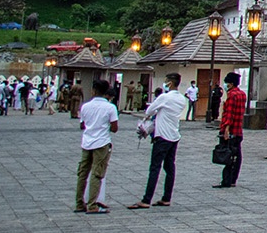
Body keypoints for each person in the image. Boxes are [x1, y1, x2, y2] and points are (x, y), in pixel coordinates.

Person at [128, 74, 187, 209]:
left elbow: (149, 110)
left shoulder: (164, 97)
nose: (164, 84)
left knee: (155, 167)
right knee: (170, 167)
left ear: (170, 83)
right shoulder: (181, 99)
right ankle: (166, 197)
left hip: (162, 136)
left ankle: (146, 199)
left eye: (166, 82)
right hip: (174, 135)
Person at [75, 80, 119, 213]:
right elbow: (114, 128)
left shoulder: (85, 106)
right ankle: (92, 204)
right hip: (102, 142)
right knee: (97, 173)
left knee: (83, 173)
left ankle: (79, 203)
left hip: (87, 142)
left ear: (93, 91)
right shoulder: (110, 107)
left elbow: (82, 125)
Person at [214, 72, 246, 188]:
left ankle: (226, 180)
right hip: (238, 130)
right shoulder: (242, 94)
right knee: (237, 156)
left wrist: (226, 129)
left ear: (231, 84)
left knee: (227, 156)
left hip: (231, 130)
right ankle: (233, 179)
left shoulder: (231, 95)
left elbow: (230, 114)